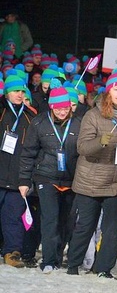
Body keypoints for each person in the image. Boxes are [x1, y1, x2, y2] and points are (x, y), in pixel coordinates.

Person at [65, 69, 117, 279]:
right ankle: (74, 264)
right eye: (116, 89)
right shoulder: (93, 115)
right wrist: (101, 141)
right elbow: (82, 148)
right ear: (108, 92)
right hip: (90, 181)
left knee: (111, 229)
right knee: (86, 225)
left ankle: (104, 268)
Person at [18, 82, 80, 273]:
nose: (63, 112)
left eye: (66, 108)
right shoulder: (39, 123)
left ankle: (58, 255)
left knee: (66, 221)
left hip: (70, 179)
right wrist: (23, 181)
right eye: (58, 108)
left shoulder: (78, 124)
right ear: (52, 106)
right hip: (46, 177)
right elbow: (28, 153)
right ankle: (49, 260)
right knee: (50, 219)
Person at [0, 69, 35, 268]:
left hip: (16, 178)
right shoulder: (1, 110)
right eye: (15, 91)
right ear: (7, 93)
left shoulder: (30, 117)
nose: (20, 94)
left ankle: (12, 252)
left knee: (13, 218)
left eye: (22, 91)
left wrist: (26, 179)